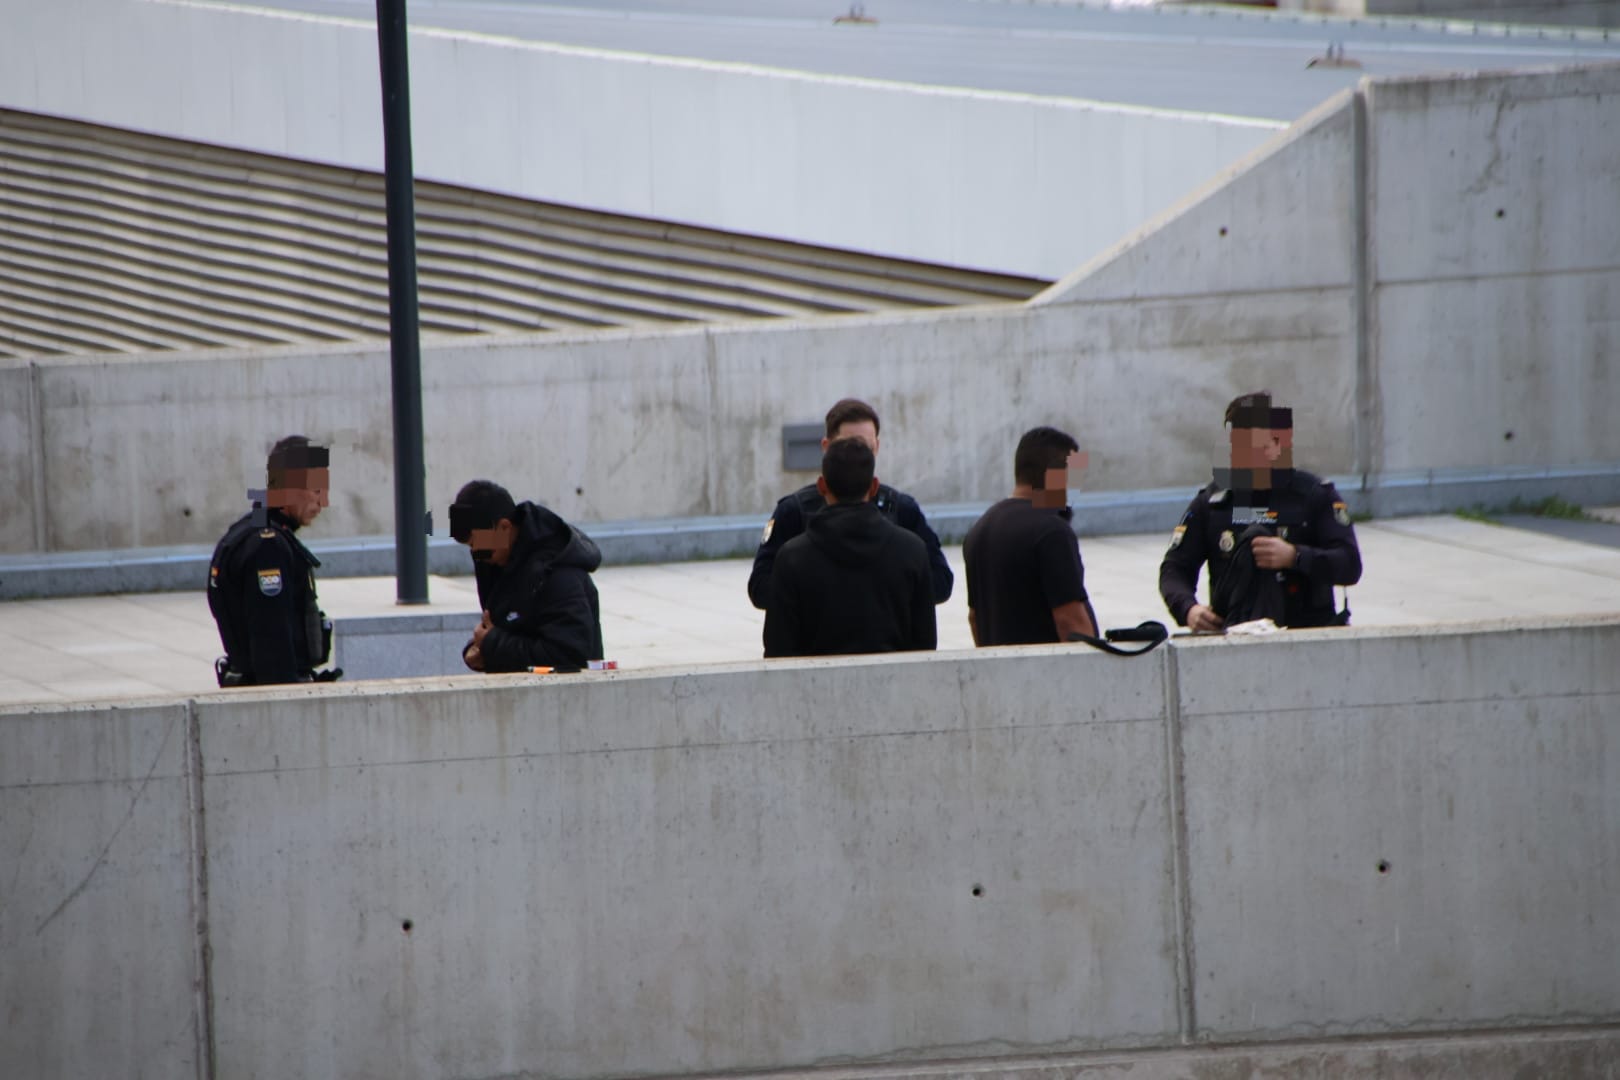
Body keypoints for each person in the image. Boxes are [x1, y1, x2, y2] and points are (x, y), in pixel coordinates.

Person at [1159, 392, 1363, 631]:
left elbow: (1350, 564)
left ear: (1277, 445)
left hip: (1307, 634)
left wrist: (1294, 556)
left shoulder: (1314, 497)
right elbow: (1174, 569)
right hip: (1235, 635)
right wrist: (1189, 609)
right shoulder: (1214, 503)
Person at [748, 398, 952, 610]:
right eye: (850, 446)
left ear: (877, 447)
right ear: (826, 447)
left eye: (866, 448)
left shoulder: (900, 509)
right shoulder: (794, 511)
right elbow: (760, 588)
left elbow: (941, 582)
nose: (858, 456)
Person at [763, 438, 937, 658]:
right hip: (895, 688)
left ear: (821, 486)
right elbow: (926, 648)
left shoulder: (792, 558)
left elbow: (778, 651)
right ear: (874, 487)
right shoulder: (913, 551)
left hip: (814, 690)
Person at [207, 435, 340, 686]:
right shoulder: (267, 547)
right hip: (270, 695)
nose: (323, 501)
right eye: (316, 491)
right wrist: (287, 703)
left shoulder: (249, 532)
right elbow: (272, 642)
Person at [449, 480, 604, 673]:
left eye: (476, 543)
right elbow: (512, 628)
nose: (476, 553)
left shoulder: (557, 572)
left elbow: (567, 655)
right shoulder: (496, 561)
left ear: (504, 528)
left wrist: (492, 643)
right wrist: (480, 649)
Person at [963, 426, 1097, 647]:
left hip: (1001, 673)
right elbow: (1070, 622)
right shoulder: (1052, 532)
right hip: (1049, 676)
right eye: (1073, 478)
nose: (1074, 491)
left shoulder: (979, 529)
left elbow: (975, 618)